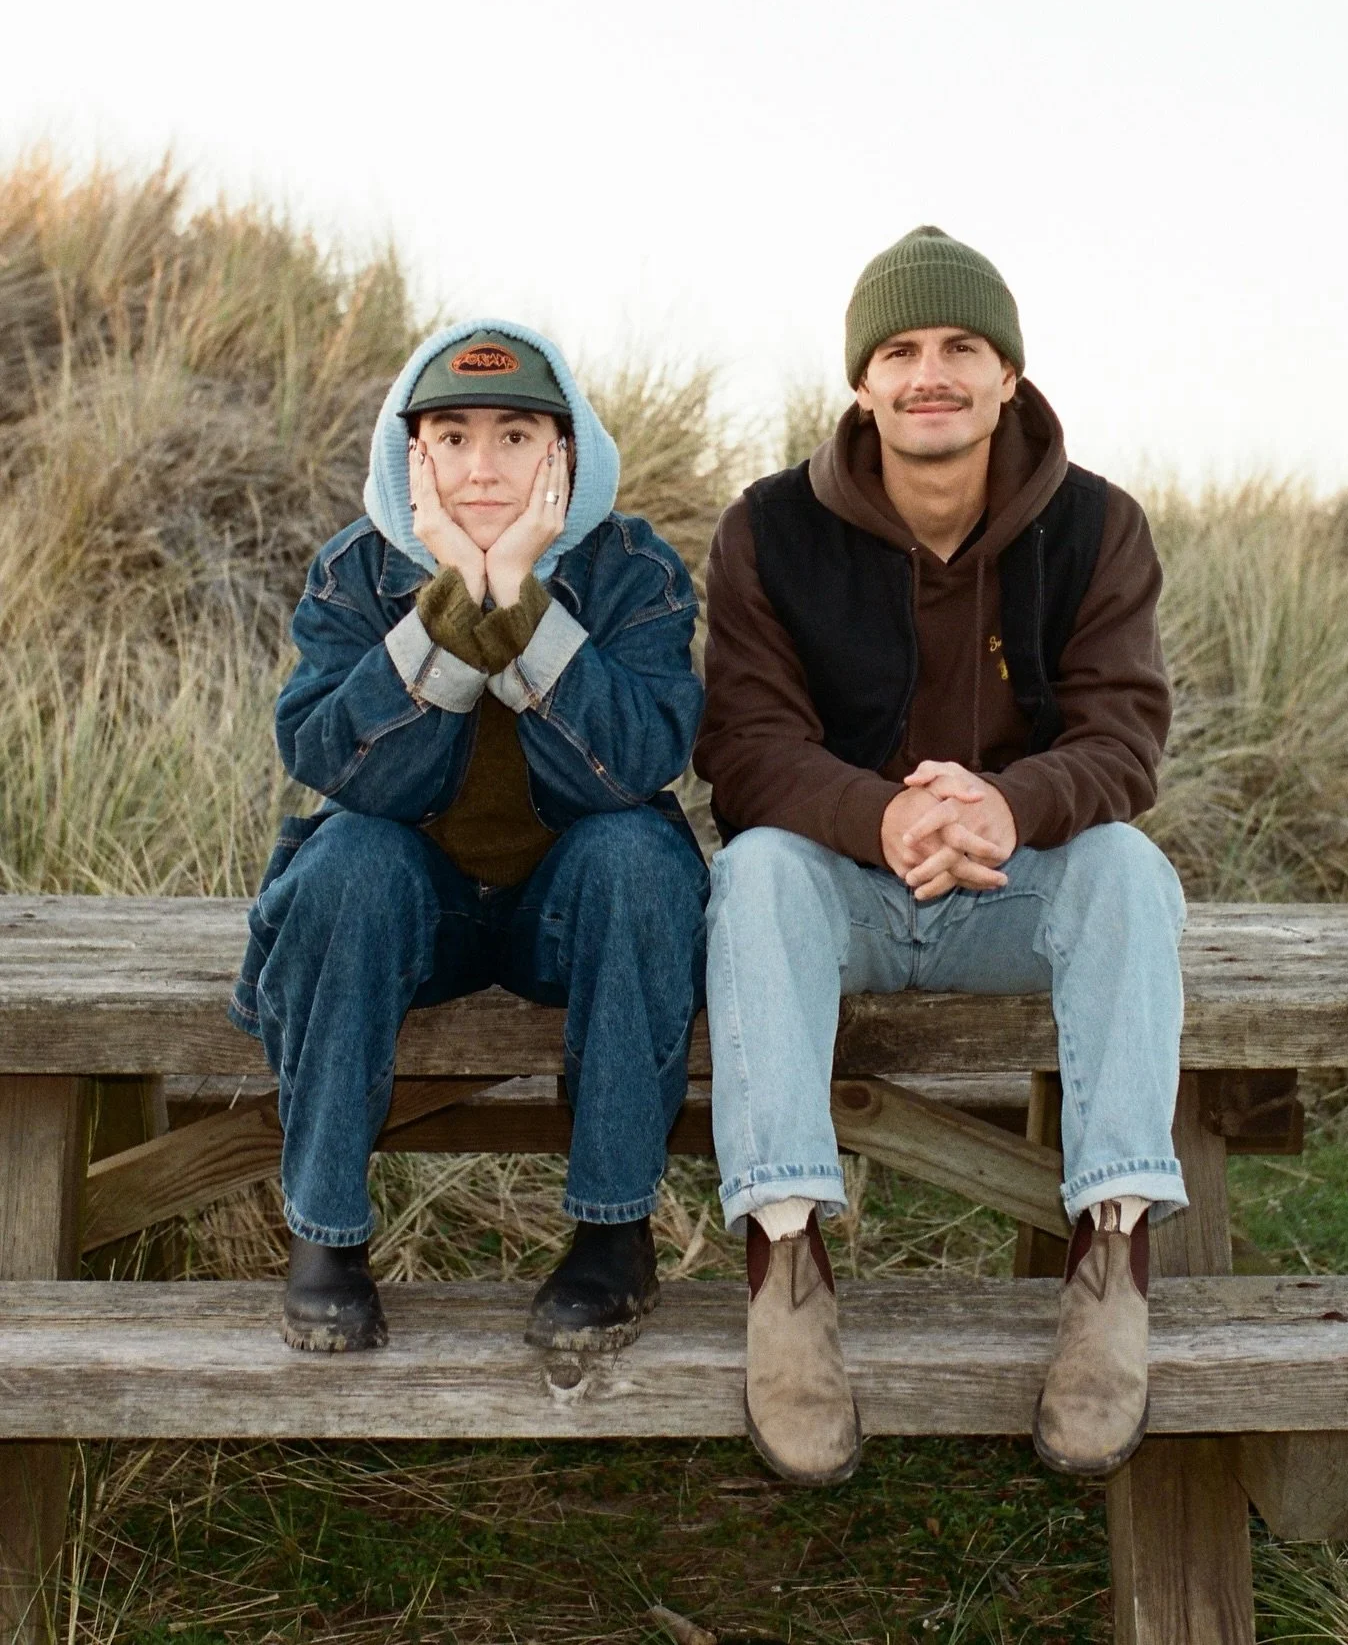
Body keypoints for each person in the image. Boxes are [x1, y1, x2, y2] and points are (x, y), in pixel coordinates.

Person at [695, 227, 1187, 1485]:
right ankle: (788, 1267)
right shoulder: (768, 529)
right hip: (841, 892)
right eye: (901, 350)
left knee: (1131, 867)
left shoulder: (1098, 527)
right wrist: (885, 817)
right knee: (751, 870)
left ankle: (1114, 1256)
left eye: (962, 347)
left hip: (1012, 892)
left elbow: (1124, 737)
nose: (932, 372)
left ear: (1008, 375)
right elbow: (744, 747)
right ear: (862, 380)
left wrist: (1005, 807)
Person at [230, 322, 708, 1354]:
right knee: (346, 859)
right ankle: (325, 1236)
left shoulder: (634, 570)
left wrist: (525, 603)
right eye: (451, 435)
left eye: (515, 434)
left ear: (564, 452)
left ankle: (612, 1233)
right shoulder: (354, 573)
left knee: (636, 856)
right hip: (421, 907)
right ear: (414, 455)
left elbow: (631, 761)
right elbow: (344, 765)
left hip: (564, 915)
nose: (481, 465)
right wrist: (451, 603)